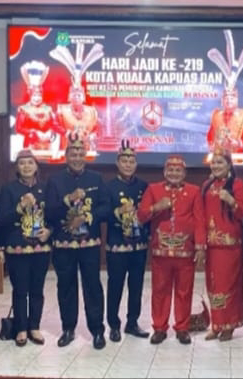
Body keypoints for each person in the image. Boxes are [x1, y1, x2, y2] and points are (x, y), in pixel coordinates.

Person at [46, 136, 110, 349]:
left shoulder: (96, 178)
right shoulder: (55, 180)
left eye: (81, 154)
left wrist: (88, 216)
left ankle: (97, 330)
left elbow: (106, 208)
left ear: (85, 156)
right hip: (63, 245)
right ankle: (68, 328)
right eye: (73, 154)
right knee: (66, 286)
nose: (77, 158)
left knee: (93, 286)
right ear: (66, 156)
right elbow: (49, 211)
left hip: (89, 244)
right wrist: (68, 200)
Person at [137, 155, 206, 345]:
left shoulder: (194, 191)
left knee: (184, 291)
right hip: (161, 252)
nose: (174, 173)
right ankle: (159, 328)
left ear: (184, 173)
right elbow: (141, 216)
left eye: (178, 170)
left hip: (186, 252)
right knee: (160, 291)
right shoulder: (153, 189)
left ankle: (182, 328)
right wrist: (156, 207)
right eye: (171, 170)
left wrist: (200, 247)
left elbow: (199, 220)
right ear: (164, 172)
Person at [0, 150, 51, 347]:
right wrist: (19, 207)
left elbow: (53, 216)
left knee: (37, 289)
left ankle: (34, 326)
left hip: (40, 248)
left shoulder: (45, 188)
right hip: (17, 247)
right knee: (20, 290)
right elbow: (1, 219)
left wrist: (50, 231)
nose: (26, 166)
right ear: (17, 167)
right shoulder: (8, 189)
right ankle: (20, 328)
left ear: (36, 166)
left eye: (30, 162)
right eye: (22, 163)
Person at [105, 140, 151, 342]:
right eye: (124, 161)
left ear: (136, 164)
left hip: (139, 245)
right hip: (117, 245)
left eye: (131, 161)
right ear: (117, 163)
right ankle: (113, 325)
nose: (128, 164)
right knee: (115, 286)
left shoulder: (143, 186)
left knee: (136, 286)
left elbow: (148, 213)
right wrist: (118, 211)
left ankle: (132, 322)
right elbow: (103, 213)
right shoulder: (109, 187)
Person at [201, 148, 243, 341]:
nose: (216, 166)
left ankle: (229, 325)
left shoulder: (238, 185)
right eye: (214, 162)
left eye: (220, 162)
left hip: (230, 246)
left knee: (229, 286)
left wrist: (231, 201)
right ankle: (217, 324)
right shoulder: (207, 185)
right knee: (213, 285)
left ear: (229, 165)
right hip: (211, 245)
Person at [206, 29, 243, 153]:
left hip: (240, 157)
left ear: (237, 99)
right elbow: (210, 135)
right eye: (226, 97)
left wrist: (239, 143)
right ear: (222, 100)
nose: (229, 100)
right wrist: (213, 143)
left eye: (232, 97)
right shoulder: (216, 115)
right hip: (219, 157)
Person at [50, 42, 104, 153]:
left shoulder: (92, 112)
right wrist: (65, 133)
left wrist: (93, 135)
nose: (76, 97)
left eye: (79, 95)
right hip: (66, 151)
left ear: (83, 97)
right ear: (69, 97)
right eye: (74, 95)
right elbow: (53, 124)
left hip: (87, 151)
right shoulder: (61, 111)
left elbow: (98, 127)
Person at [14, 61, 58, 151]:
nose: (37, 98)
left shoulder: (48, 109)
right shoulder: (23, 109)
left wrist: (51, 132)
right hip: (31, 144)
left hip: (47, 145)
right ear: (30, 95)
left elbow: (54, 125)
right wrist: (34, 132)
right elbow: (19, 128)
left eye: (39, 96)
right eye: (34, 96)